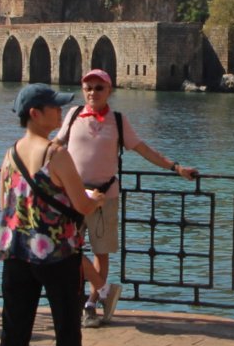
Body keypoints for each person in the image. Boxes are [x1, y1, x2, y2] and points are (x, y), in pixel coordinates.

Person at [0, 83, 103, 346]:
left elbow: (4, 202)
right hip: (59, 255)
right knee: (67, 331)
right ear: (35, 114)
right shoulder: (56, 153)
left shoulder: (9, 154)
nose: (59, 112)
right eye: (53, 108)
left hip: (17, 254)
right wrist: (96, 198)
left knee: (14, 331)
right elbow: (81, 205)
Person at [59, 68, 198, 328]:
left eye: (98, 88)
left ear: (109, 91)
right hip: (74, 196)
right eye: (88, 87)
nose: (92, 92)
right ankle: (101, 291)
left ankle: (90, 304)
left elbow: (144, 149)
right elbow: (56, 147)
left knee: (101, 252)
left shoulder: (119, 121)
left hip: (105, 196)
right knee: (66, 249)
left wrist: (176, 168)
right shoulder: (73, 115)